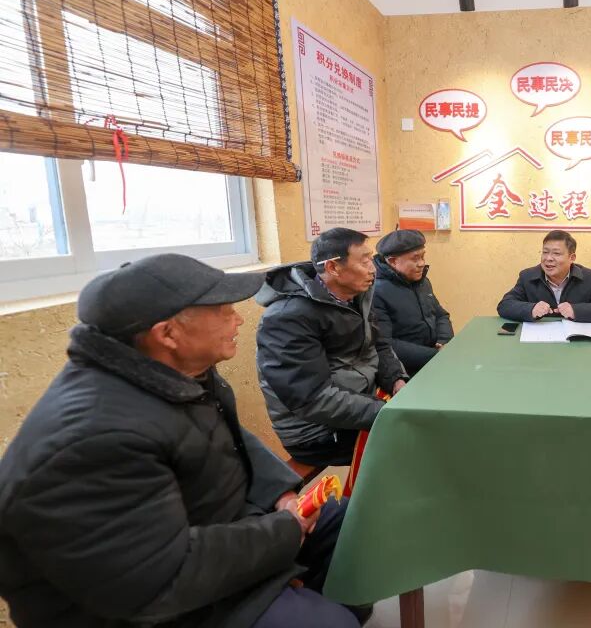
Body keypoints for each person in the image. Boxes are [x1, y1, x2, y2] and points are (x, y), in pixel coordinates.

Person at [0, 254, 370, 627]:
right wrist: (284, 532)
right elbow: (156, 578)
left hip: (212, 533)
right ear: (168, 334)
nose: (239, 319)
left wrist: (282, 494)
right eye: (224, 311)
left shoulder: (170, 372)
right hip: (148, 601)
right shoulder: (96, 439)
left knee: (352, 525)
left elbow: (228, 435)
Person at [256, 228, 408, 468]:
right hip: (318, 432)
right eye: (364, 261)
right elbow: (312, 399)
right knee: (418, 444)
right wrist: (384, 411)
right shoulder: (287, 317)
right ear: (333, 268)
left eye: (371, 259)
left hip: (360, 405)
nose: (373, 269)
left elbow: (377, 344)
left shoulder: (356, 294)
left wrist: (397, 380)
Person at [372, 229, 453, 375]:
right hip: (406, 369)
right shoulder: (377, 291)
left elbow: (441, 315)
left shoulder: (423, 282)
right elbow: (385, 344)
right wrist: (435, 355)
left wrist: (444, 341)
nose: (422, 263)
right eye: (415, 259)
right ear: (393, 261)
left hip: (436, 358)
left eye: (423, 257)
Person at [497, 229, 591, 322]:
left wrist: (576, 310)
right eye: (545, 252)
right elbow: (505, 305)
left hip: (575, 341)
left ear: (572, 258)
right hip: (539, 340)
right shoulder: (527, 276)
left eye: (556, 253)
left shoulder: (588, 277)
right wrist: (531, 309)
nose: (548, 258)